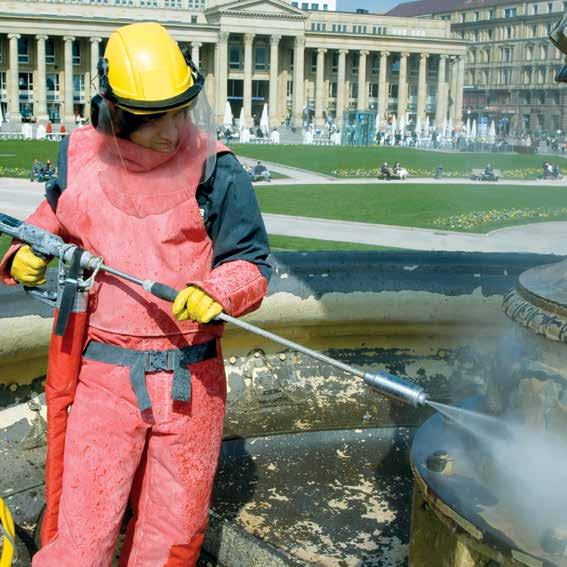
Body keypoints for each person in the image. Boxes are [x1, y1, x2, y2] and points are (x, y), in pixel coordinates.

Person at [1, 22, 270, 566]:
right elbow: (55, 217)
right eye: (154, 120)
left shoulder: (219, 169)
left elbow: (252, 263)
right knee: (83, 534)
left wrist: (220, 289)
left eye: (181, 112)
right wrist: (25, 252)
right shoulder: (80, 155)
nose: (172, 131)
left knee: (170, 539)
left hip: (190, 383)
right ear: (116, 111)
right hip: (103, 377)